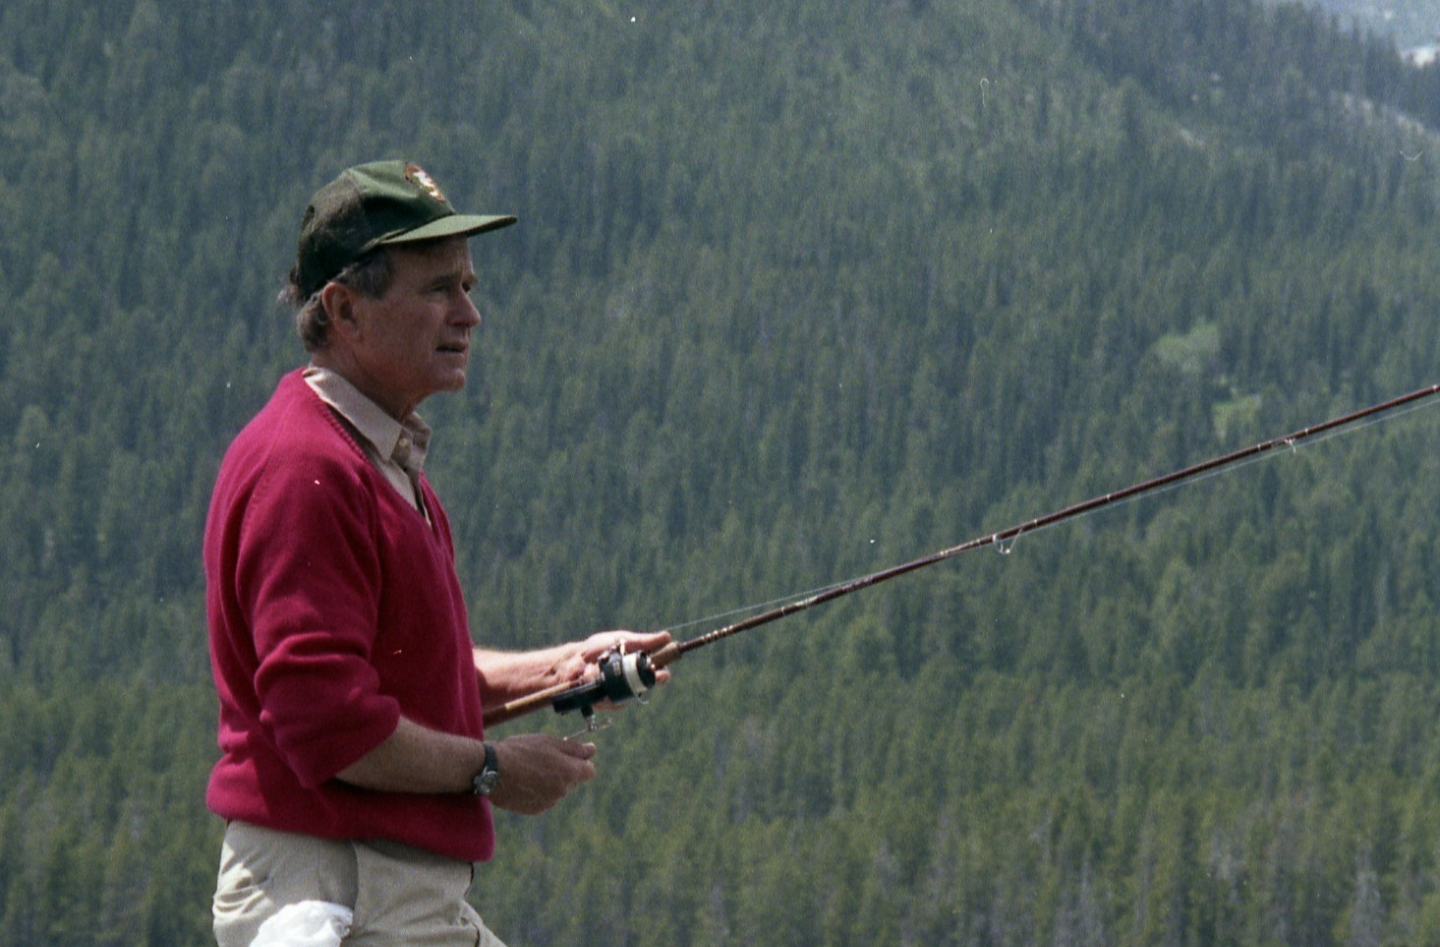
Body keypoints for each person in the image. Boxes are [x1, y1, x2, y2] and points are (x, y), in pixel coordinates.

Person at [203, 159, 670, 947]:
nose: (469, 314)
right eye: (438, 289)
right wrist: (492, 769)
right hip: (339, 896)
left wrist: (564, 670)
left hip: (386, 893)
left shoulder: (371, 460)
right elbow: (329, 722)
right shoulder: (304, 467)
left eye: (469, 286)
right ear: (346, 309)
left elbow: (403, 676)